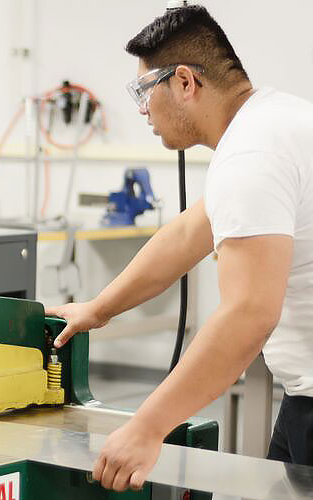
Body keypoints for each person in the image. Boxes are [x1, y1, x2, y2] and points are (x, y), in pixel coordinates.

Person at [46, 4, 313, 491]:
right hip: (304, 399)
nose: (143, 110)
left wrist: (148, 429)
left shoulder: (252, 154)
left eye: (145, 91)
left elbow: (250, 313)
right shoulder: (276, 120)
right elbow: (191, 231)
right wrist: (98, 309)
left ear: (185, 82)